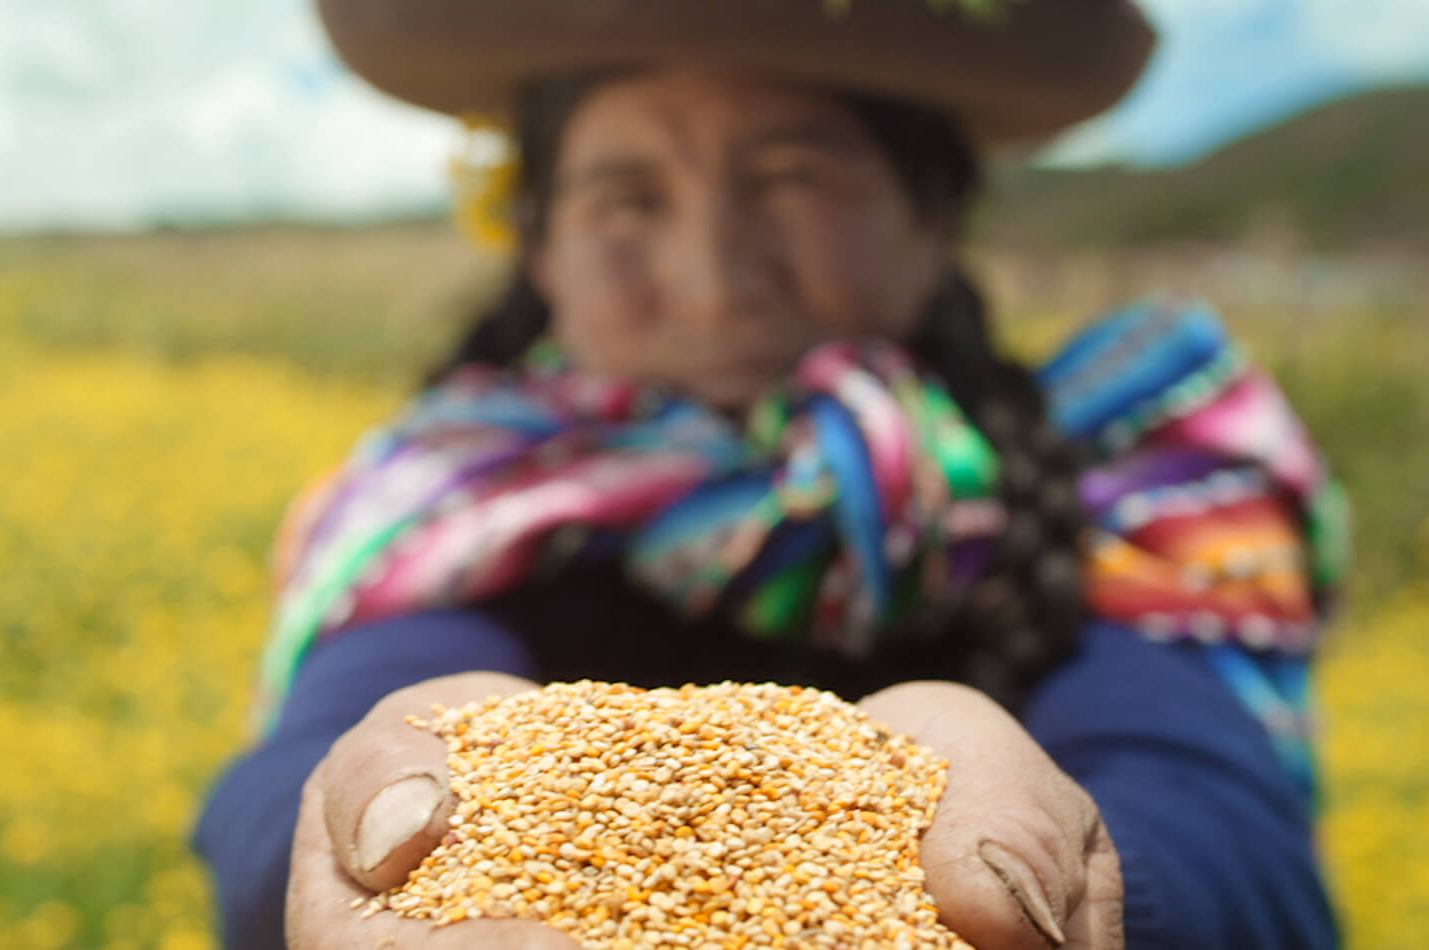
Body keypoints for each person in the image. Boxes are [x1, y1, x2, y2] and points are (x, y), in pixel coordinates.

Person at [193, 2, 1348, 948]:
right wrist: (355, 824)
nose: (711, 278)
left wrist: (1054, 876)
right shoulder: (457, 491)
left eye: (794, 177)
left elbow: (1230, 833)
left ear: (934, 215)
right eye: (627, 196)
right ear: (539, 241)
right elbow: (300, 772)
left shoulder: (1125, 463)